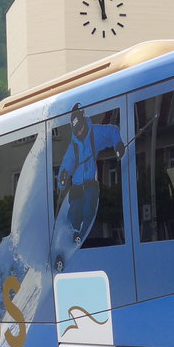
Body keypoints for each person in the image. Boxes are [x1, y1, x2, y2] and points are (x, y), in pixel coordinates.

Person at [57, 104, 124, 245]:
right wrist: (62, 177)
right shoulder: (73, 144)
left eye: (80, 128)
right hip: (77, 183)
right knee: (75, 208)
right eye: (76, 130)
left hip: (90, 181)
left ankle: (81, 233)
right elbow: (67, 162)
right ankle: (71, 233)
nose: (79, 132)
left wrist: (118, 144)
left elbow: (112, 131)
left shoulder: (95, 133)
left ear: (83, 121)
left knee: (88, 207)